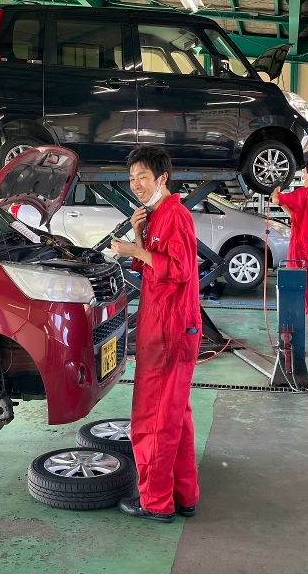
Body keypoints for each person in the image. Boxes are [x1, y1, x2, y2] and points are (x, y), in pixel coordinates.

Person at [110, 146, 202, 523]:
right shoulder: (157, 215)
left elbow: (178, 270)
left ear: (163, 178)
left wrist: (134, 247)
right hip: (164, 326)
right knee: (177, 415)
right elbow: (151, 263)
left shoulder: (175, 216)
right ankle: (185, 494)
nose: (136, 185)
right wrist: (138, 231)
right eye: (132, 178)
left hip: (168, 331)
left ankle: (156, 502)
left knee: (153, 419)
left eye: (143, 177)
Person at [271, 156, 308, 355]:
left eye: (304, 171)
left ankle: (290, 341)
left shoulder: (302, 193)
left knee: (292, 297)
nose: (302, 174)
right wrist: (284, 205)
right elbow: (295, 215)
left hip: (300, 255)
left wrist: (276, 185)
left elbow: (276, 198)